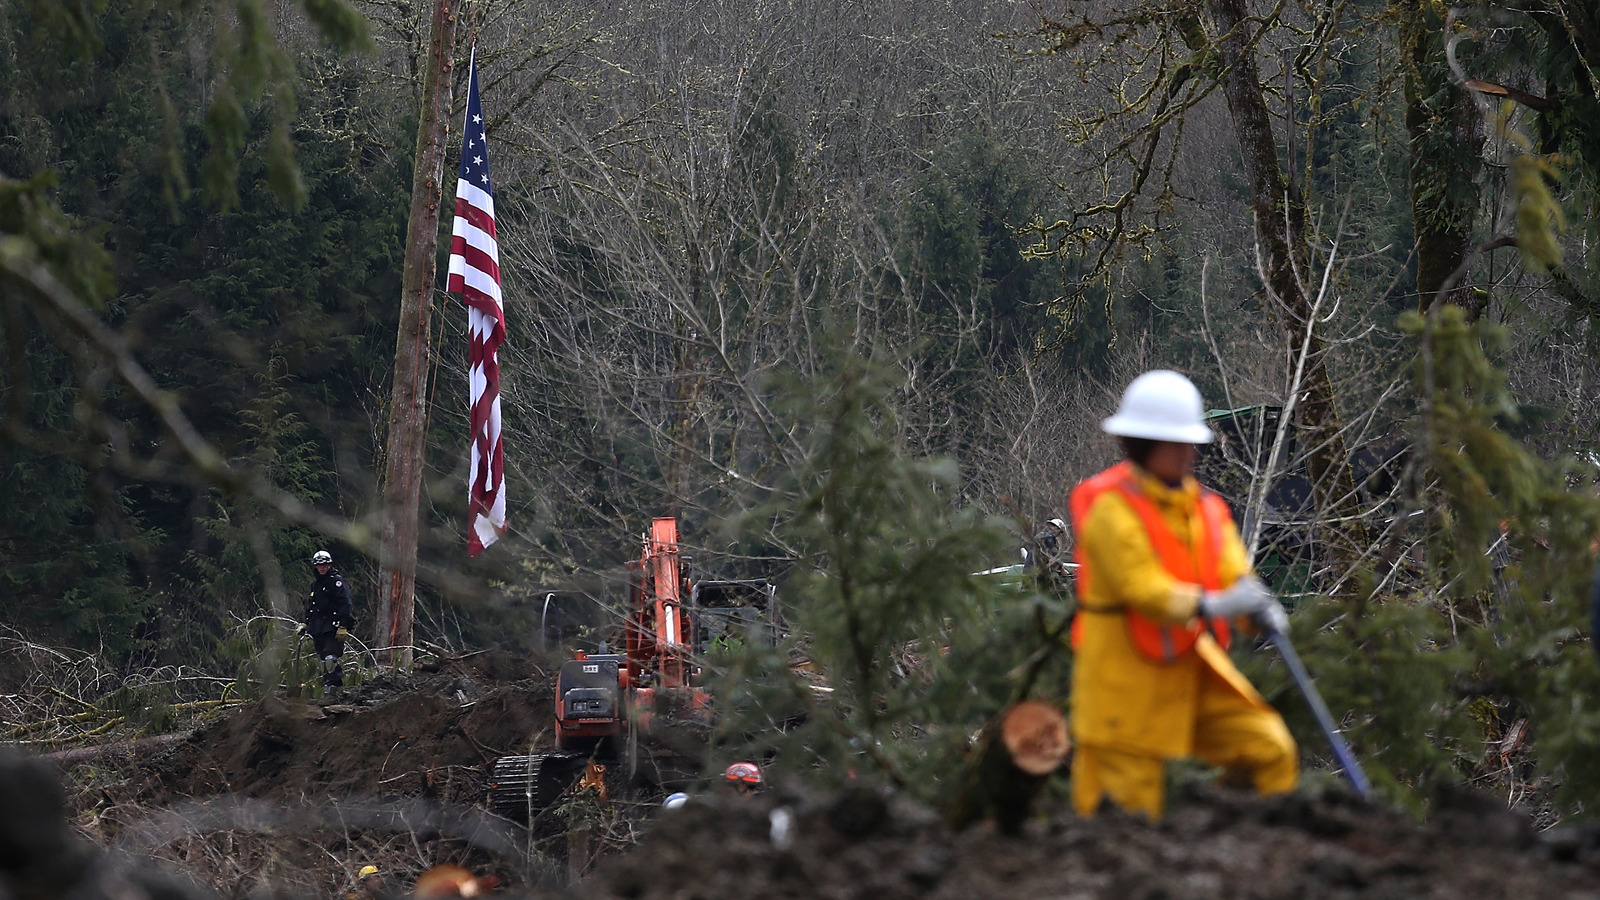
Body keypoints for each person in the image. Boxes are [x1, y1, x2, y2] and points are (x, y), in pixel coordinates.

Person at [1067, 369, 1297, 820]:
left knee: (1268, 751)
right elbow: (1144, 589)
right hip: (1125, 689)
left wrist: (1260, 610)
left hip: (1191, 673)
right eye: (1173, 443)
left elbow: (1236, 574)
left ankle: (1244, 856)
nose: (1186, 453)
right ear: (1139, 444)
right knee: (1125, 818)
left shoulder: (1205, 510)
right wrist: (1214, 606)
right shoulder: (1109, 509)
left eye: (1187, 442)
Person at [300, 549, 354, 698]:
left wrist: (343, 625)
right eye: (319, 565)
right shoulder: (316, 584)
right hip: (318, 625)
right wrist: (306, 623)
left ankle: (332, 691)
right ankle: (326, 689)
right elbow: (312, 605)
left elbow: (346, 603)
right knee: (324, 659)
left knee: (331, 658)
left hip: (333, 624)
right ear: (315, 567)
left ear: (329, 565)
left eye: (324, 564)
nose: (322, 567)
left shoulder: (336, 581)